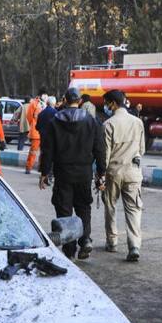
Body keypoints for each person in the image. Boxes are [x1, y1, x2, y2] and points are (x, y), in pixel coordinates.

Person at [39, 88, 106, 260]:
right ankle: (85, 240)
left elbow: (48, 150)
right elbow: (99, 148)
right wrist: (101, 172)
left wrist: (44, 172)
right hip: (84, 172)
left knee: (64, 209)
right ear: (80, 101)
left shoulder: (54, 121)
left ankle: (69, 249)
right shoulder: (92, 121)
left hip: (63, 173)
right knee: (84, 206)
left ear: (65, 100)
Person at [100, 89, 146, 261]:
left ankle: (112, 241)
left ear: (113, 103)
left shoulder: (108, 125)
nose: (105, 106)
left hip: (114, 172)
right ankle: (134, 245)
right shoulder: (137, 122)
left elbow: (105, 154)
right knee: (134, 209)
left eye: (106, 103)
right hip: (134, 172)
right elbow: (142, 149)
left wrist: (101, 176)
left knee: (110, 206)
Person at [23, 89, 47, 173]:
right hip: (36, 132)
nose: (45, 96)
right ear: (40, 95)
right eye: (44, 94)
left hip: (45, 132)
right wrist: (33, 125)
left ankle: (41, 168)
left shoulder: (46, 103)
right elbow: (29, 116)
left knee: (44, 152)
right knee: (33, 151)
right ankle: (28, 167)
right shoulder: (34, 103)